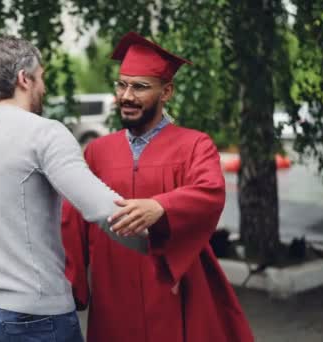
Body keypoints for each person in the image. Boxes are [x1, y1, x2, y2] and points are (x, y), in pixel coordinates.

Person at [0, 36, 152, 342]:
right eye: (41, 77)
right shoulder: (44, 133)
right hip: (32, 314)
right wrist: (161, 245)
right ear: (23, 78)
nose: (43, 87)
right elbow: (101, 207)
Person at [61, 32, 254, 342]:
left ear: (166, 92)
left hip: (173, 285)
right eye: (121, 84)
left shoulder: (194, 145)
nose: (126, 96)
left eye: (140, 87)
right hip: (114, 289)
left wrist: (162, 206)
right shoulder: (98, 151)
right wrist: (73, 285)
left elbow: (210, 191)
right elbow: (72, 220)